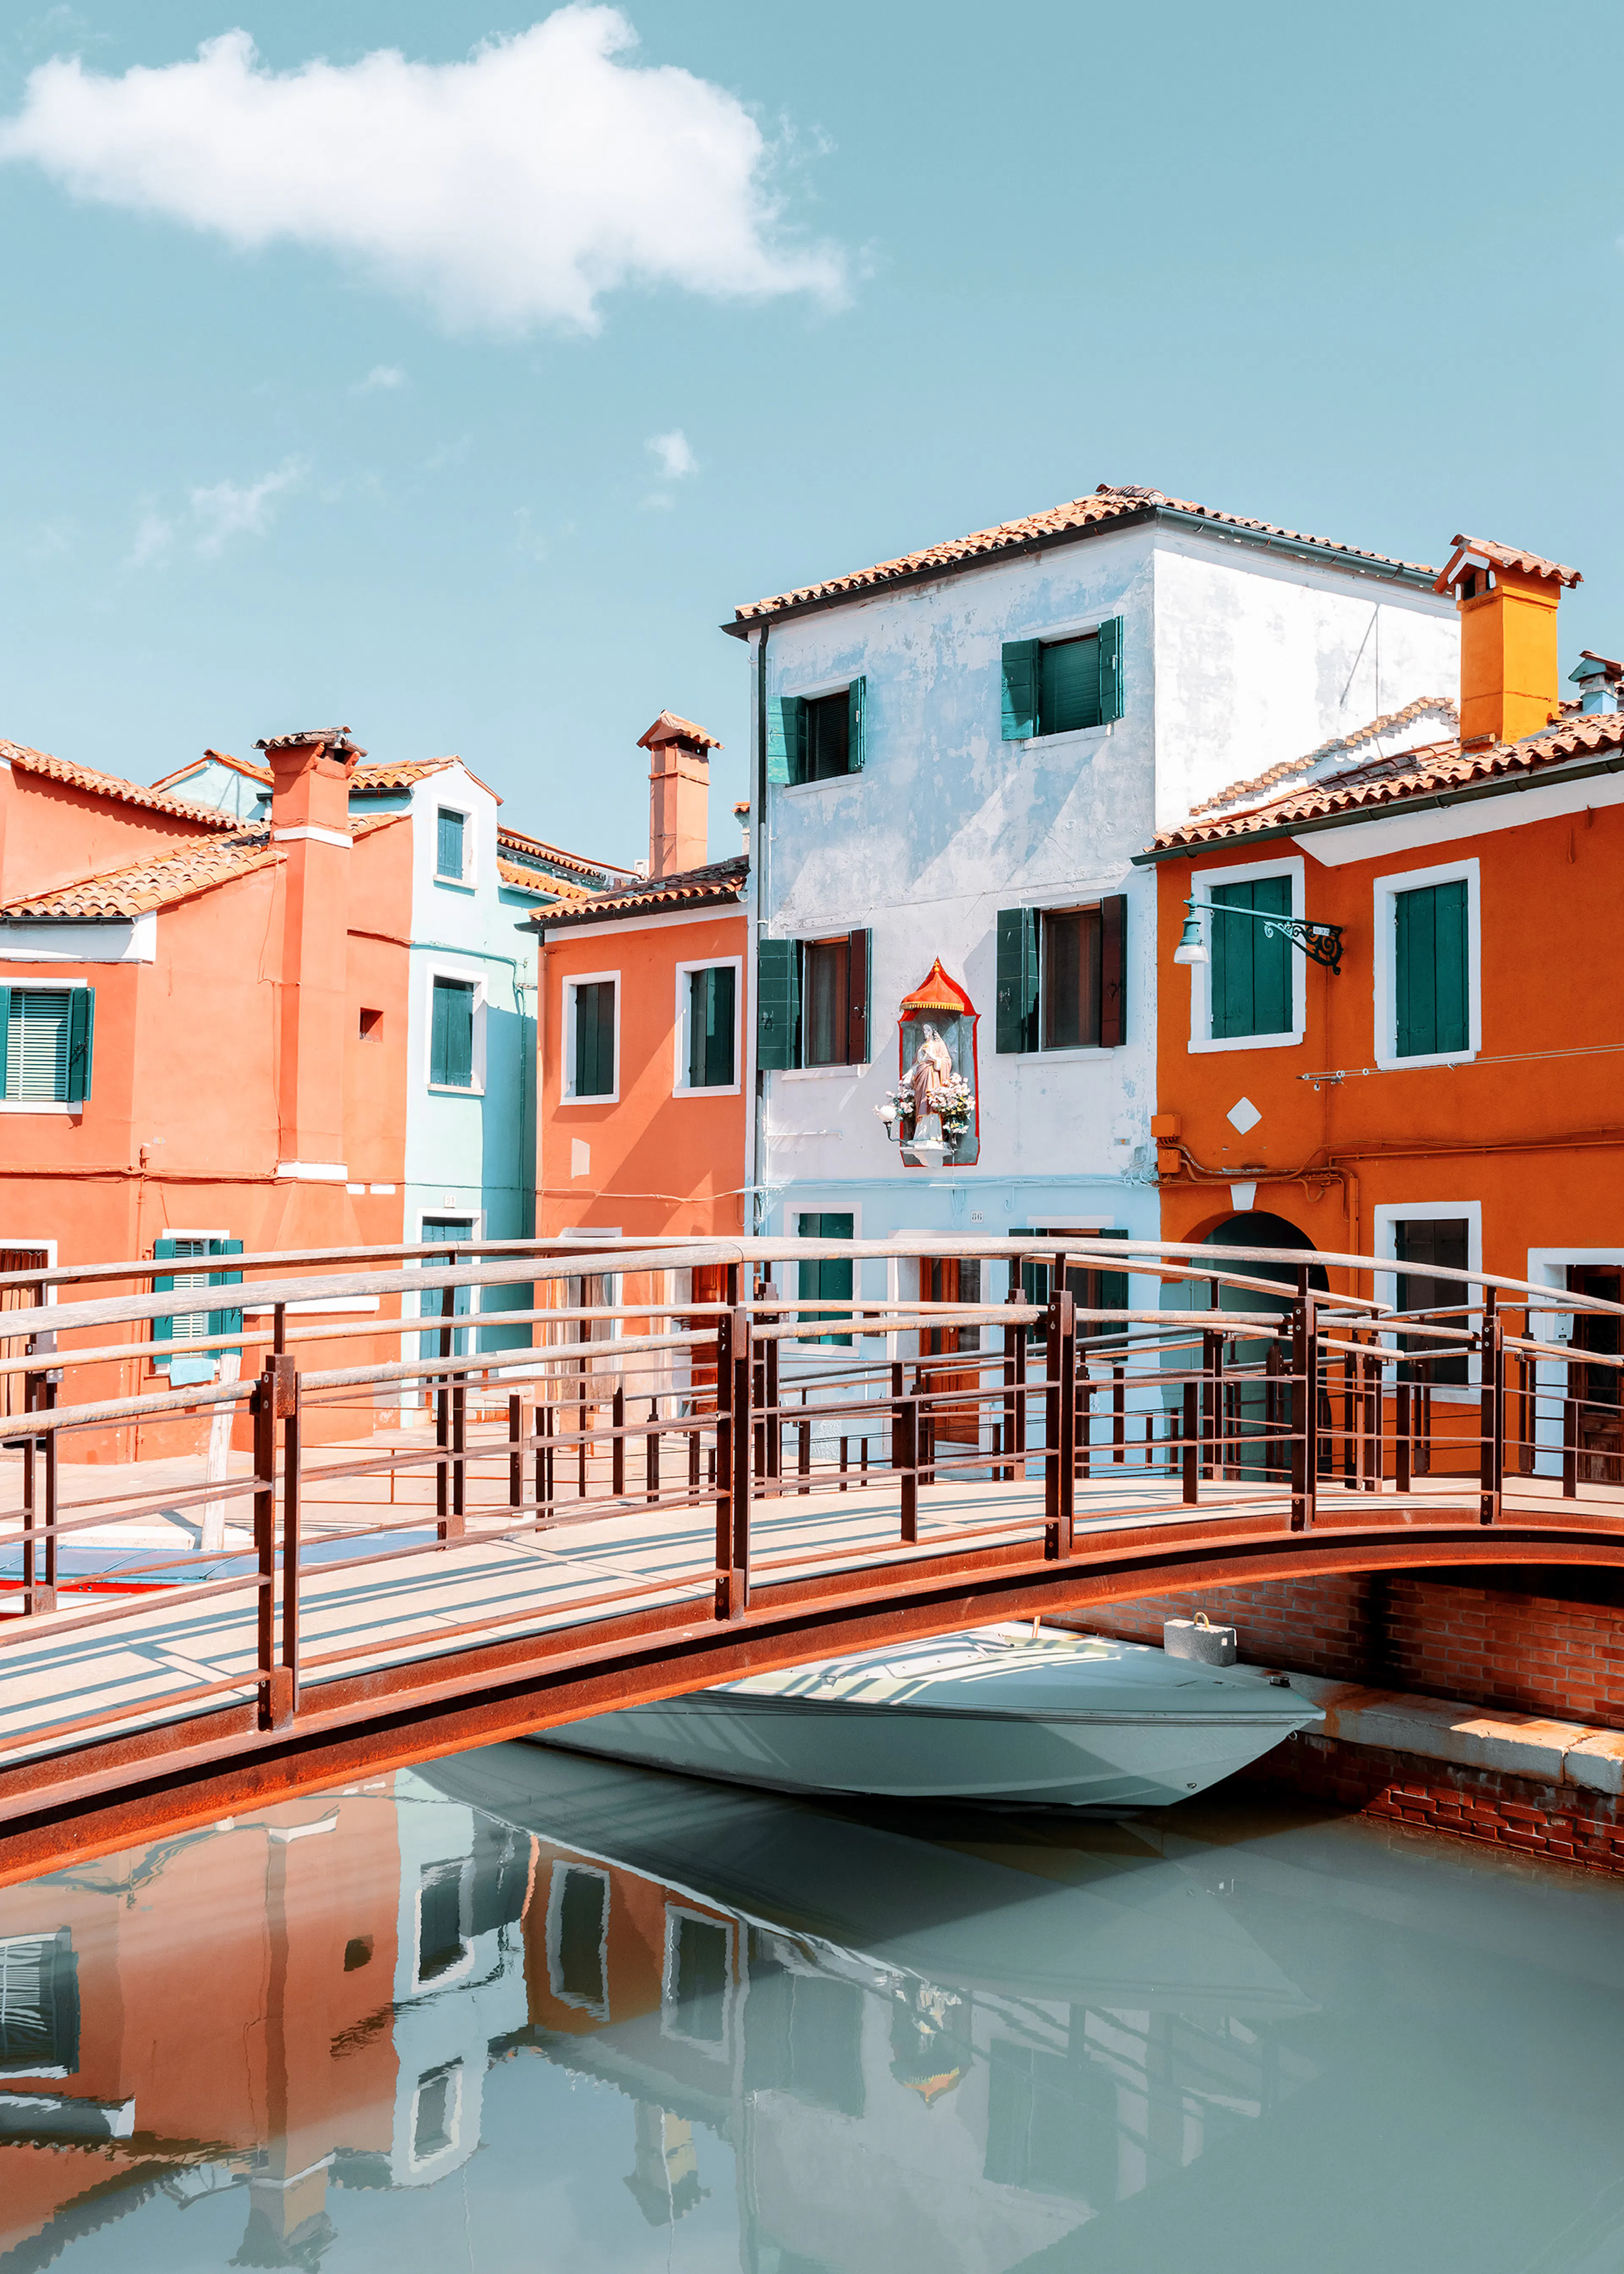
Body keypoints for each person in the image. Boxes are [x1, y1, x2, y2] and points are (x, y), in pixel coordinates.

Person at [904, 1023, 955, 1141]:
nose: (925, 1032)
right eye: (924, 1030)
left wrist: (934, 1058)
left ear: (933, 1031)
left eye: (928, 1030)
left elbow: (947, 1062)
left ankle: (933, 1133)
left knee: (931, 1102)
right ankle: (921, 1134)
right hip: (921, 1077)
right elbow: (916, 1064)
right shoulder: (921, 1046)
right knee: (921, 1102)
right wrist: (910, 1073)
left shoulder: (939, 1044)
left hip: (933, 1077)